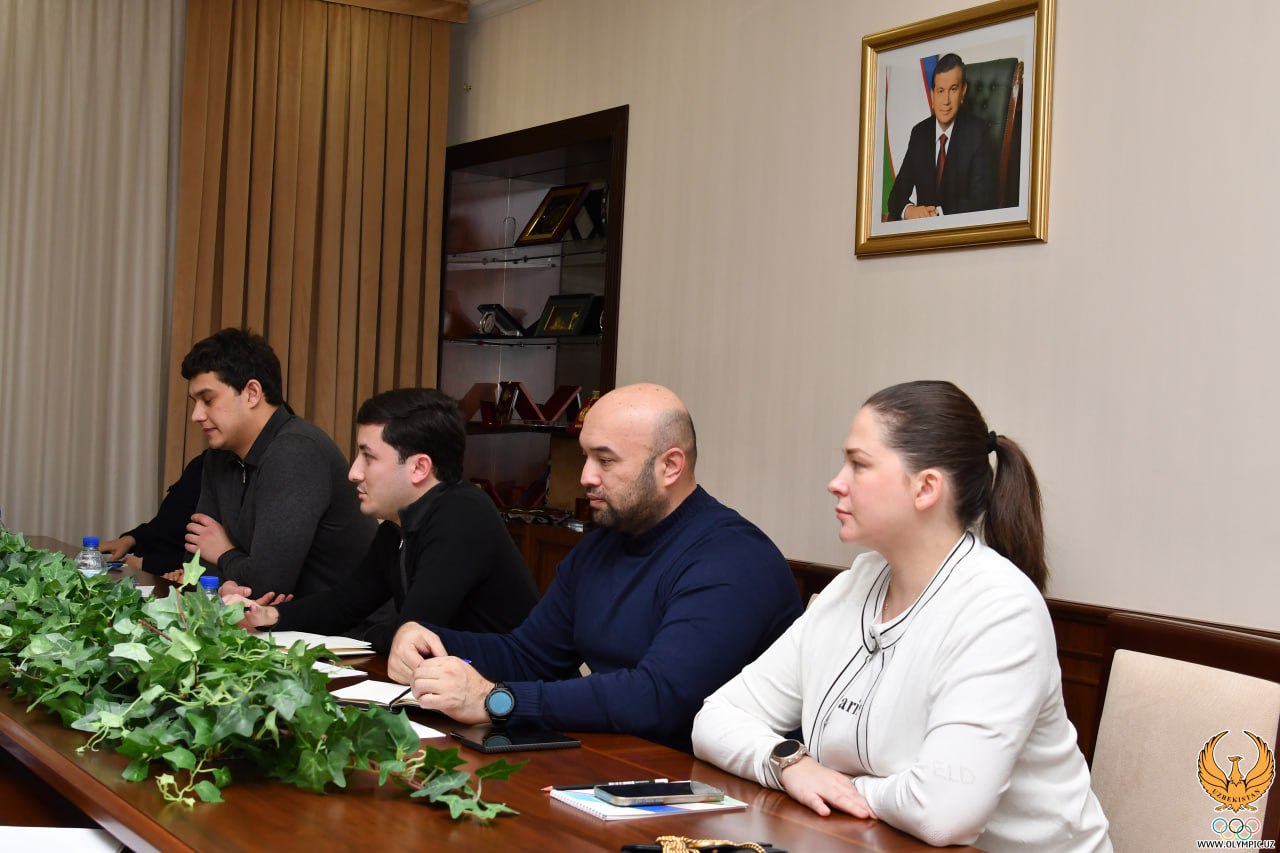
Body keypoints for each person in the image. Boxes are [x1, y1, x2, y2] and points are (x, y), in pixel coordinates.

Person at [691, 381, 1111, 851]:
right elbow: (715, 719)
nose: (836, 482)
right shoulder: (855, 584)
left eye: (859, 464)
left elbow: (944, 814)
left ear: (926, 487)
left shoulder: (1001, 608)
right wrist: (790, 765)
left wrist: (836, 787)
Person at [388, 383, 803, 752]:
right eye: (585, 456)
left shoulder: (732, 559)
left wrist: (495, 700)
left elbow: (659, 698)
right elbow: (530, 656)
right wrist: (430, 639)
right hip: (621, 757)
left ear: (670, 467)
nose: (585, 476)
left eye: (605, 461)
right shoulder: (602, 545)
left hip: (718, 787)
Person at [221, 388, 539, 654]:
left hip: (510, 695)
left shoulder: (461, 515)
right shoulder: (396, 526)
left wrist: (368, 636)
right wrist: (266, 615)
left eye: (368, 457)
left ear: (419, 467)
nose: (353, 472)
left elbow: (412, 633)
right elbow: (345, 603)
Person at [178, 328, 376, 597]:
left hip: (341, 622)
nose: (196, 415)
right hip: (262, 616)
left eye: (208, 400)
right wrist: (225, 589)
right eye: (195, 402)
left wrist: (225, 554)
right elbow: (197, 563)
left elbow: (268, 583)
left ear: (252, 393)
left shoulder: (296, 452)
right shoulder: (219, 455)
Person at [887, 53, 995, 220]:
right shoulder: (920, 133)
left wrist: (937, 215)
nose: (946, 101)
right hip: (923, 233)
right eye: (940, 91)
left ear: (963, 91)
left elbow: (982, 200)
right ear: (932, 95)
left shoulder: (978, 132)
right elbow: (896, 196)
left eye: (953, 89)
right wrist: (910, 211)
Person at [101, 455, 203, 573]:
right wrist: (130, 539)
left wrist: (146, 564)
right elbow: (167, 522)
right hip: (147, 566)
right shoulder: (201, 463)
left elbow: (210, 559)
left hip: (170, 574)